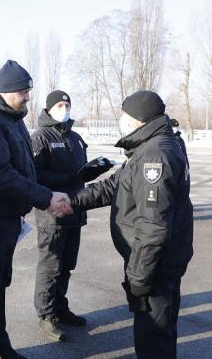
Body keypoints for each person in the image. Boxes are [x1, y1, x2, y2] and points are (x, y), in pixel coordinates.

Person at [0, 60, 71, 359]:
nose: (28, 97)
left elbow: (24, 165)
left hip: (7, 216)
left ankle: (0, 346)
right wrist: (44, 197)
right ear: (7, 90)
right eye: (23, 92)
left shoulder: (11, 116)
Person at [70, 90, 194, 358]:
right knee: (160, 331)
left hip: (153, 266)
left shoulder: (154, 156)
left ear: (139, 118)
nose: (121, 120)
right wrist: (71, 201)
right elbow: (115, 185)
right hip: (156, 260)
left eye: (124, 115)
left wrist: (138, 278)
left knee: (153, 338)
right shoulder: (149, 147)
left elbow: (154, 228)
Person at [31, 90, 111, 340]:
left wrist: (91, 171)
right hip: (52, 213)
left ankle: (60, 307)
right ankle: (46, 314)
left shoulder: (75, 138)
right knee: (51, 266)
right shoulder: (40, 138)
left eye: (67, 105)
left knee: (67, 264)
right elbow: (35, 176)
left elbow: (80, 174)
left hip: (75, 210)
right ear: (49, 109)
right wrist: (71, 178)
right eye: (60, 105)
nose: (64, 109)